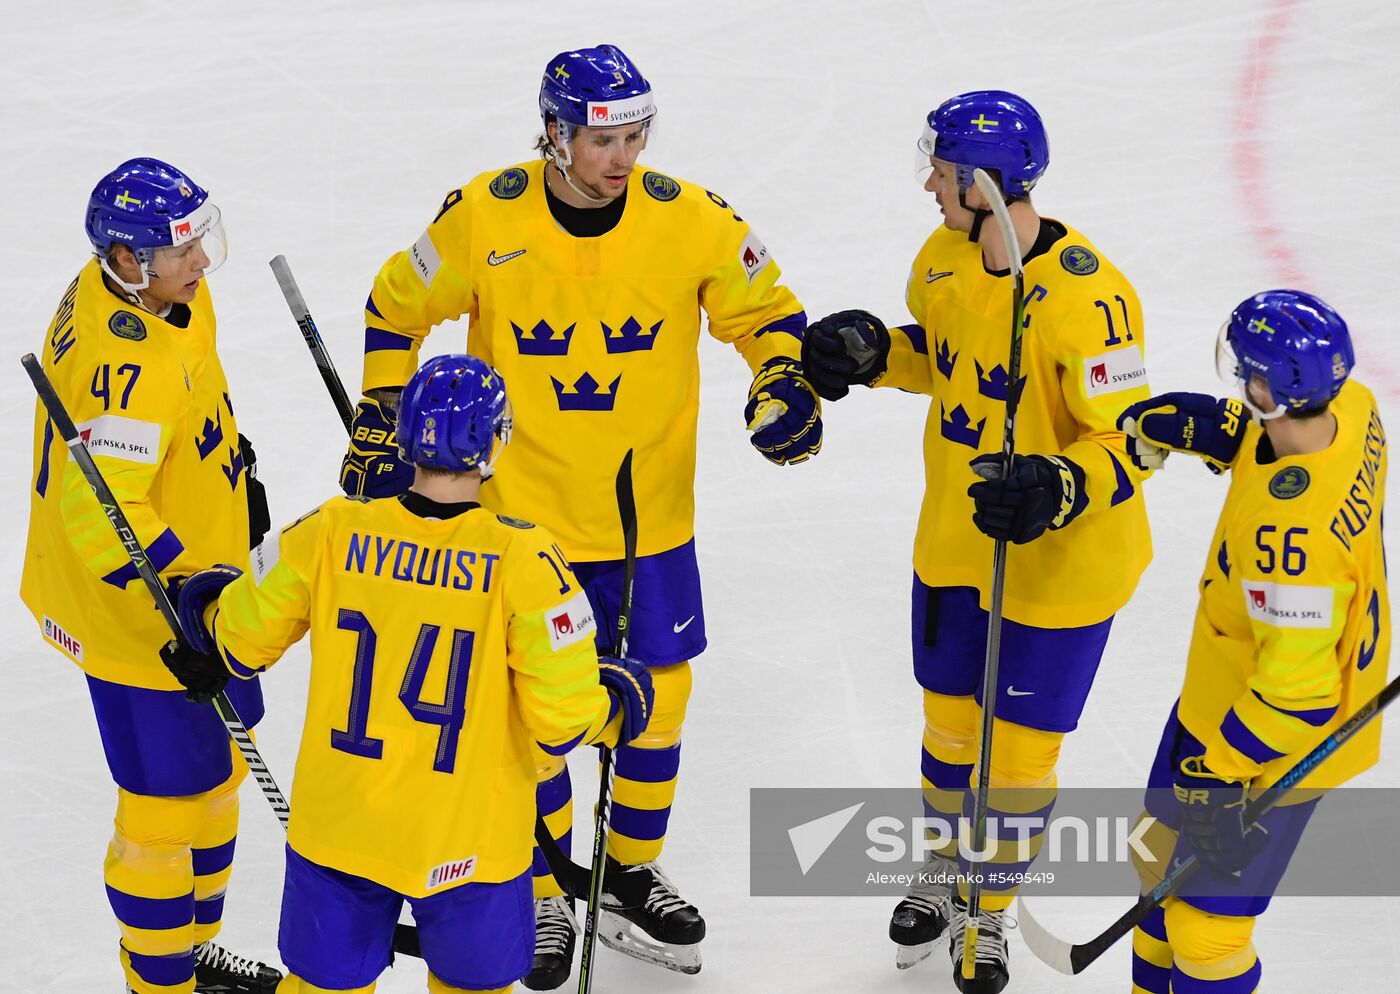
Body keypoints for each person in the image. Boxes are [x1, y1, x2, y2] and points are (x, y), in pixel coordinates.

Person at [337, 43, 819, 984]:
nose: (623, 157)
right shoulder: (484, 213)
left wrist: (783, 380)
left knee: (658, 707)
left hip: (648, 530)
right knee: (532, 718)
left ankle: (629, 871)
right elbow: (396, 305)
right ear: (554, 132)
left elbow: (768, 312)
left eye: (636, 137)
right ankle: (548, 885)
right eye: (604, 139)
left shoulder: (692, 220)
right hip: (518, 528)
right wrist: (381, 410)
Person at [160, 354, 657, 994]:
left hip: (339, 833)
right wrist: (618, 703)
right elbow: (561, 722)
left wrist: (208, 598)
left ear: (403, 439)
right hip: (471, 844)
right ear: (496, 444)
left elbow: (235, 642)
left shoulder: (330, 529)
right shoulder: (528, 560)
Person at [801, 91, 1153, 992]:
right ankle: (946, 866)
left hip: (1064, 565)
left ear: (986, 182)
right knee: (951, 729)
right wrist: (877, 354)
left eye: (945, 173)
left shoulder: (1094, 298)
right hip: (958, 543)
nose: (930, 185)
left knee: (1021, 752)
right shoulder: (944, 259)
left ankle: (989, 911)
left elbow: (1137, 439)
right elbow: (952, 362)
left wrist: (1060, 484)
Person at [20, 158, 278, 993]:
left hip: (210, 581)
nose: (202, 262)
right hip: (147, 621)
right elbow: (104, 516)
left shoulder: (164, 295)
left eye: (202, 239)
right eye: (183, 249)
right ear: (128, 261)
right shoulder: (119, 367)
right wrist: (193, 601)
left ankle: (194, 956)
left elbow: (192, 400)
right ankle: (159, 981)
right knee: (163, 809)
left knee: (220, 772)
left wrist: (237, 475)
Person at [1118, 290, 1389, 994]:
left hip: (1272, 743)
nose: (1240, 382)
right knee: (1154, 857)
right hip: (1218, 696)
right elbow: (1283, 452)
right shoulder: (1353, 408)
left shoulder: (1290, 541)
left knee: (1207, 935)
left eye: (1247, 378)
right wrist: (1226, 434)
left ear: (1271, 388)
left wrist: (1222, 773)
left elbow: (1298, 690)